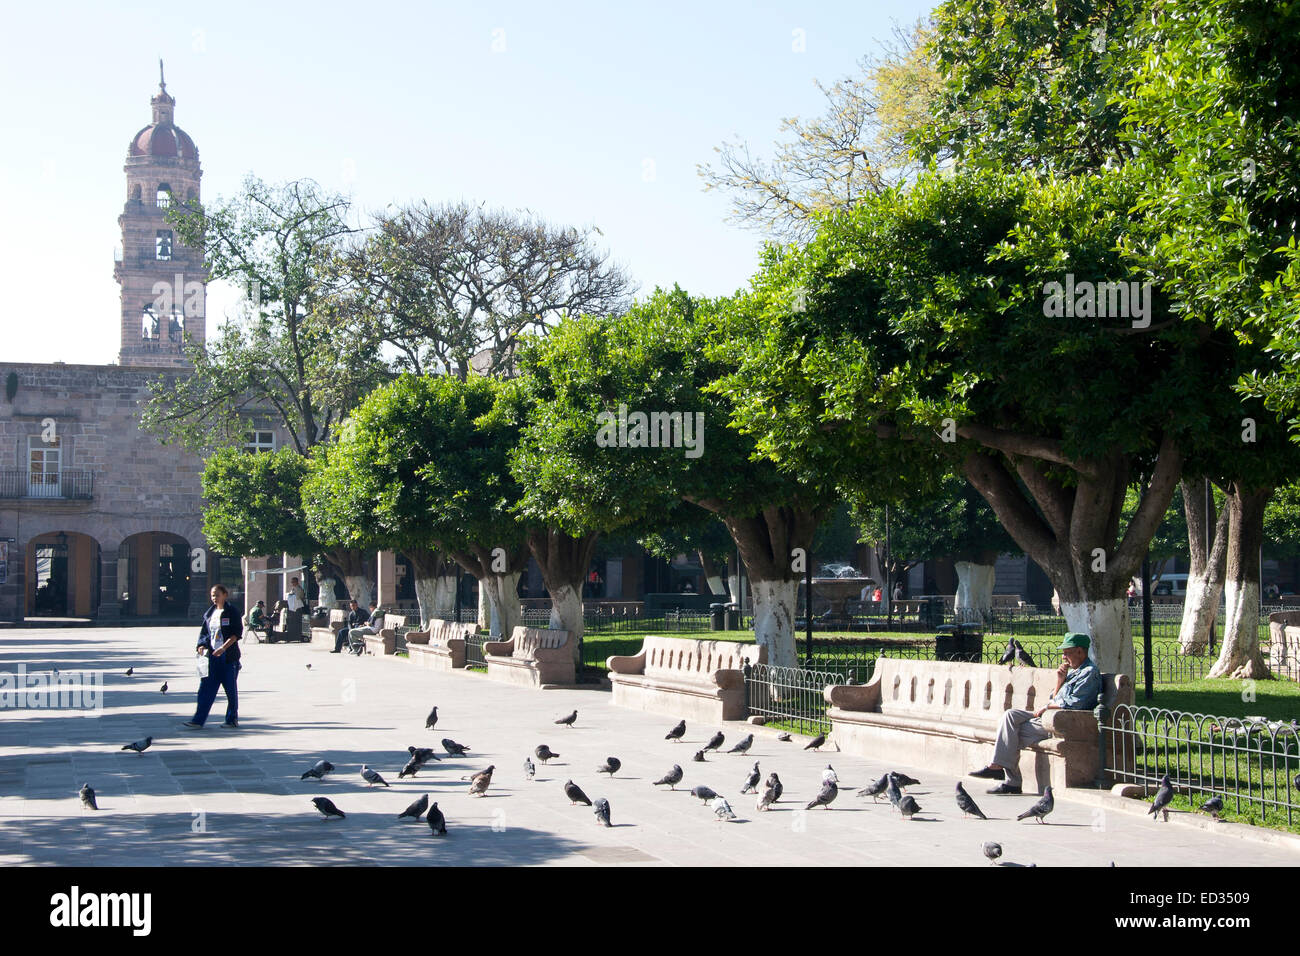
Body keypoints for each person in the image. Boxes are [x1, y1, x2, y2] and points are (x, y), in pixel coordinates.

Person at [968, 633, 1103, 794]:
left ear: (1080, 652)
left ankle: (1009, 779)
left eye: (1067, 652)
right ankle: (1001, 770)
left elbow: (1076, 703)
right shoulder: (1073, 671)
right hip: (1048, 715)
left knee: (1011, 734)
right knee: (1010, 716)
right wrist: (1060, 680)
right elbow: (1055, 696)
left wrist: (1048, 708)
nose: (1063, 656)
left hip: (1060, 720)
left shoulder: (1089, 672)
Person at [184, 584, 244, 729]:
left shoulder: (232, 612)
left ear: (225, 595)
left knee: (230, 689)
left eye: (217, 595)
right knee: (205, 688)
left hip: (228, 657)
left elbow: (237, 633)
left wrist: (223, 648)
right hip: (211, 657)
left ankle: (231, 719)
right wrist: (201, 645)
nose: (214, 598)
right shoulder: (209, 613)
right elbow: (205, 633)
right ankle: (198, 720)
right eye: (212, 595)